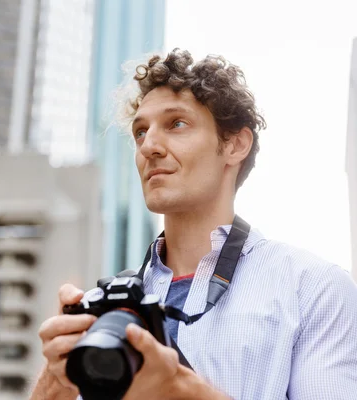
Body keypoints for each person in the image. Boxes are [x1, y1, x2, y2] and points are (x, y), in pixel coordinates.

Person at [28, 48, 357, 400]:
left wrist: (178, 391)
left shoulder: (313, 288)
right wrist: (54, 382)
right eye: (140, 132)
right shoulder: (103, 308)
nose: (149, 146)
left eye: (176, 124)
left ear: (234, 144)